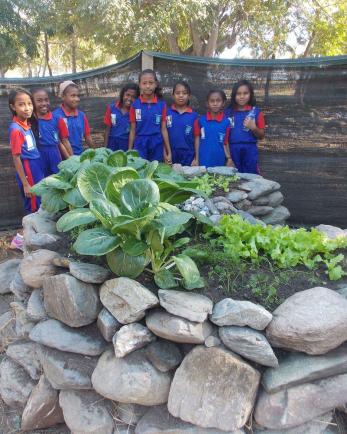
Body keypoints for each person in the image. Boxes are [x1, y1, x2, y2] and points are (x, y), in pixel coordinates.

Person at [8, 88, 44, 216]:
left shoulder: (26, 124)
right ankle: (33, 233)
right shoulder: (16, 130)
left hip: (36, 166)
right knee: (33, 202)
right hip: (28, 168)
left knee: (40, 198)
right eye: (21, 104)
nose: (27, 108)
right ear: (13, 107)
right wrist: (26, 184)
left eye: (29, 103)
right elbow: (16, 157)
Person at [128, 69, 171, 163]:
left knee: (156, 171)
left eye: (151, 83)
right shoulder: (135, 105)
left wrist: (168, 151)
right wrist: (129, 150)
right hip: (140, 144)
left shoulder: (162, 105)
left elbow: (164, 129)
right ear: (139, 85)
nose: (148, 86)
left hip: (157, 143)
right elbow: (132, 130)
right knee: (141, 170)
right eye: (144, 83)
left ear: (155, 84)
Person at [225, 79, 265, 173]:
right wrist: (228, 157)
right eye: (238, 93)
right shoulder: (228, 113)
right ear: (234, 95)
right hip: (232, 150)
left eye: (245, 93)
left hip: (250, 150)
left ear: (250, 94)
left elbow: (262, 136)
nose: (242, 96)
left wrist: (253, 127)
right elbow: (224, 136)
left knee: (250, 177)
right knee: (233, 177)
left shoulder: (256, 112)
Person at [32, 88, 72, 176]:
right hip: (38, 155)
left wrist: (72, 160)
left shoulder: (57, 118)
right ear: (32, 102)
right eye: (39, 100)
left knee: (57, 178)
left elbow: (63, 141)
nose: (44, 103)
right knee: (41, 180)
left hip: (55, 155)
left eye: (46, 100)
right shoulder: (30, 121)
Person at [192, 89, 233, 168]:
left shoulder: (226, 122)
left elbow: (225, 142)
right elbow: (197, 140)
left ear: (223, 103)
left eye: (218, 101)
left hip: (219, 161)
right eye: (212, 101)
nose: (215, 103)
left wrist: (229, 158)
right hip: (203, 160)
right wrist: (196, 159)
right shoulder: (200, 121)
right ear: (207, 103)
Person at [53, 81, 94, 156]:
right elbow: (60, 141)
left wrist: (96, 152)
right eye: (73, 96)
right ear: (63, 96)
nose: (77, 99)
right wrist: (72, 159)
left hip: (80, 156)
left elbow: (87, 136)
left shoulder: (81, 115)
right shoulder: (55, 116)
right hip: (63, 159)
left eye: (78, 96)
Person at [166, 81, 198, 166]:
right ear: (173, 95)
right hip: (171, 153)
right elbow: (163, 134)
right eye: (177, 93)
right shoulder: (167, 113)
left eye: (184, 93)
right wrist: (165, 153)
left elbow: (196, 138)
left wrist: (196, 158)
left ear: (189, 96)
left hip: (188, 155)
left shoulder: (193, 115)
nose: (181, 95)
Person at [103, 83, 139, 151]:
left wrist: (130, 150)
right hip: (112, 144)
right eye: (127, 95)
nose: (129, 99)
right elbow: (107, 130)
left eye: (133, 97)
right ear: (122, 94)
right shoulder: (111, 108)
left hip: (127, 144)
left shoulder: (136, 112)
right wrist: (105, 149)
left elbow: (133, 131)